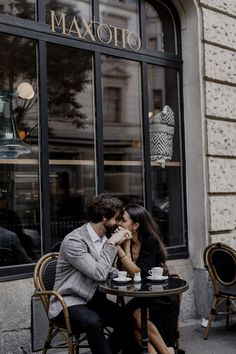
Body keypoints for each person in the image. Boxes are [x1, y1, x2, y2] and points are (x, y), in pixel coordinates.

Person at [48, 194, 132, 354]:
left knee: (128, 319)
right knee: (94, 322)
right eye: (117, 218)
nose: (119, 224)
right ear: (103, 217)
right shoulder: (74, 241)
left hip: (93, 300)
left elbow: (108, 271)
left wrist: (128, 276)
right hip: (69, 302)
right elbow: (99, 274)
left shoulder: (102, 239)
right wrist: (112, 243)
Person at [116, 203, 180, 354]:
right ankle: (167, 352)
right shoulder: (128, 242)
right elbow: (126, 273)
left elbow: (137, 272)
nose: (119, 224)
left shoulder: (150, 241)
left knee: (137, 318)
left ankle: (165, 351)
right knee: (134, 324)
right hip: (141, 294)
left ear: (136, 225)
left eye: (123, 220)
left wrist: (118, 249)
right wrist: (125, 245)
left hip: (159, 294)